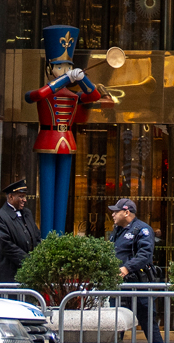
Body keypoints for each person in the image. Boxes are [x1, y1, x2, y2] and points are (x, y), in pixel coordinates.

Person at [24, 25, 110, 235]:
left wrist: (83, 80)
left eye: (67, 67)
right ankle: (47, 239)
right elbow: (36, 95)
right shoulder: (45, 91)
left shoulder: (73, 96)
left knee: (63, 195)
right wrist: (65, 78)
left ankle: (59, 238)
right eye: (59, 66)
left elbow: (94, 97)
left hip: (67, 140)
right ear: (49, 68)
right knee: (47, 194)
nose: (64, 70)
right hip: (47, 138)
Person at [107, 199, 162, 343]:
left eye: (116, 212)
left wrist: (126, 268)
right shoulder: (116, 231)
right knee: (116, 323)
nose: (113, 214)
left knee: (148, 322)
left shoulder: (142, 229)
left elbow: (145, 255)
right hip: (119, 286)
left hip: (139, 284)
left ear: (126, 212)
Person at [0, 180, 41, 284]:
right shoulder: (1, 217)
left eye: (24, 196)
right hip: (10, 275)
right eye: (21, 196)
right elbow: (6, 246)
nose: (24, 200)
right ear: (11, 197)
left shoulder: (27, 213)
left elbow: (36, 237)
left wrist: (37, 259)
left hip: (28, 274)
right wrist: (28, 261)